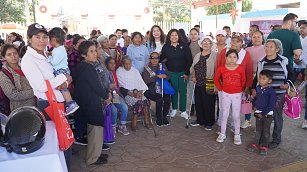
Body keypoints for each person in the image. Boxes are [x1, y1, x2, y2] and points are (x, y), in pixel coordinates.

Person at [21, 23, 72, 171]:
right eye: (37, 37)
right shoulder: (28, 60)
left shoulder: (45, 54)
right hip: (49, 105)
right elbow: (41, 86)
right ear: (29, 39)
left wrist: (64, 82)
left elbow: (55, 79)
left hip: (58, 102)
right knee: (58, 144)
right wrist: (64, 78)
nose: (41, 40)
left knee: (64, 141)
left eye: (44, 37)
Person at [73, 40, 110, 166]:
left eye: (95, 51)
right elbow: (96, 86)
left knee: (94, 129)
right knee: (95, 129)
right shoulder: (88, 68)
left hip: (86, 102)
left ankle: (96, 154)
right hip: (90, 103)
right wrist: (106, 96)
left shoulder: (83, 66)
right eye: (91, 51)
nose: (95, 54)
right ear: (83, 55)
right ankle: (93, 158)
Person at [252, 39, 290, 149]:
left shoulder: (283, 61)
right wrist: (253, 88)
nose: (268, 49)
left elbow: (291, 74)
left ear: (277, 49)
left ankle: (276, 139)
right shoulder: (262, 61)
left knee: (277, 117)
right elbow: (257, 77)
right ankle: (261, 138)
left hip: (278, 95)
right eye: (266, 46)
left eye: (271, 47)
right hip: (264, 95)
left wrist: (287, 84)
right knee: (262, 116)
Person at [216, 35, 253, 132]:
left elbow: (248, 71)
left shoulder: (245, 54)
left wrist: (247, 86)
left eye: (237, 41)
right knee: (222, 107)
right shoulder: (224, 51)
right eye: (233, 41)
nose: (234, 43)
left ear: (242, 43)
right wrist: (219, 86)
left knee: (235, 108)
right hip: (224, 87)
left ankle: (233, 125)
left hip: (238, 88)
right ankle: (220, 125)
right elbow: (218, 67)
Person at [214, 49, 246, 145]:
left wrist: (240, 89)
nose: (232, 59)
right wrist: (220, 88)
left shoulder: (240, 68)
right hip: (225, 94)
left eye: (234, 57)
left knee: (236, 115)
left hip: (236, 94)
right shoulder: (221, 68)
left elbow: (243, 80)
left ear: (237, 58)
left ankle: (237, 134)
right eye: (230, 57)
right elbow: (216, 79)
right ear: (226, 58)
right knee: (224, 114)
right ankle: (222, 133)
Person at [160, 29, 193, 119]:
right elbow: (161, 59)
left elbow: (189, 60)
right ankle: (174, 109)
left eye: (176, 35)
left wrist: (186, 73)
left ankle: (183, 110)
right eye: (172, 35)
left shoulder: (184, 46)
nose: (174, 37)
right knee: (173, 91)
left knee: (183, 92)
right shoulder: (166, 47)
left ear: (179, 36)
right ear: (169, 37)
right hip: (171, 73)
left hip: (183, 73)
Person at [48, 27, 79, 115]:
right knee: (63, 88)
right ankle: (69, 103)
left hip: (60, 71)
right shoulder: (59, 49)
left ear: (54, 39)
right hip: (63, 70)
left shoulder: (59, 50)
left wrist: (49, 58)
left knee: (63, 88)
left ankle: (70, 103)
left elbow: (54, 62)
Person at [116, 56, 152, 131]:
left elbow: (140, 83)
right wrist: (132, 94)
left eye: (129, 64)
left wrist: (140, 92)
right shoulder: (119, 71)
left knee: (145, 100)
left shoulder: (135, 70)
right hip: (127, 94)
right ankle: (134, 121)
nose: (128, 66)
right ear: (122, 64)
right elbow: (121, 87)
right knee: (138, 102)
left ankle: (146, 119)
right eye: (126, 64)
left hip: (138, 91)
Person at [190, 37, 217, 130]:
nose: (206, 44)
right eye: (204, 42)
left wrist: (216, 86)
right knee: (199, 102)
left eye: (208, 42)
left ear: (211, 45)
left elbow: (217, 71)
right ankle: (200, 120)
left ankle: (209, 122)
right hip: (198, 82)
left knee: (209, 102)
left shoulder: (214, 55)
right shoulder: (198, 55)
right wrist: (193, 76)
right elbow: (193, 67)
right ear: (201, 44)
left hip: (210, 82)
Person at [248, 70, 276, 155]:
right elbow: (255, 99)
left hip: (267, 115)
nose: (260, 80)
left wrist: (263, 113)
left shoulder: (271, 92)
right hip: (258, 113)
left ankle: (264, 146)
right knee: (258, 130)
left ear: (269, 81)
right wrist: (254, 105)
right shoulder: (258, 88)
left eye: (264, 79)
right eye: (260, 78)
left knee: (266, 131)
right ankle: (255, 143)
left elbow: (271, 105)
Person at [0, 44, 36, 111]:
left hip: (37, 104)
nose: (13, 56)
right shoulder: (3, 74)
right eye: (9, 55)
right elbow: (13, 95)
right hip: (21, 108)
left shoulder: (25, 66)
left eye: (15, 53)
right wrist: (36, 91)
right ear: (4, 57)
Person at [267, 13, 302, 82]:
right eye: (296, 22)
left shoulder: (272, 33)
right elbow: (297, 53)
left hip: (270, 66)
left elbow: (265, 49)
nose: (296, 25)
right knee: (285, 90)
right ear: (289, 22)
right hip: (286, 68)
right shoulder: (294, 34)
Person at [242, 30, 266, 129]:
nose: (256, 39)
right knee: (248, 98)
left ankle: (259, 123)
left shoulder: (266, 48)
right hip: (249, 76)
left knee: (260, 100)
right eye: (254, 37)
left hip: (262, 78)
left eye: (258, 37)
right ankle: (247, 120)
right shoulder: (247, 49)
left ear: (262, 38)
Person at [142, 52, 171, 126]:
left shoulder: (162, 65)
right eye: (153, 58)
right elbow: (147, 80)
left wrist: (165, 76)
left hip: (161, 86)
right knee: (159, 99)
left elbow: (168, 76)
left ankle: (164, 116)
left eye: (156, 58)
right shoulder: (146, 67)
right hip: (150, 88)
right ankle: (159, 117)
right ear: (150, 59)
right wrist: (157, 76)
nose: (155, 60)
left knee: (167, 98)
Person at [105, 57, 130, 136]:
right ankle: (113, 126)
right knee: (114, 110)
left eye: (114, 63)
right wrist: (109, 87)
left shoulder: (114, 73)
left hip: (115, 94)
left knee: (124, 107)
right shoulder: (104, 73)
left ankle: (122, 125)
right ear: (106, 64)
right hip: (106, 96)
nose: (112, 65)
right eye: (110, 63)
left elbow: (117, 87)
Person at [188, 28, 201, 116]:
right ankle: (192, 107)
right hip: (190, 70)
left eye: (195, 34)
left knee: (199, 90)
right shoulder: (187, 45)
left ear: (198, 35)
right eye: (191, 34)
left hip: (200, 70)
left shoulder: (202, 44)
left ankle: (199, 107)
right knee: (191, 88)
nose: (193, 36)